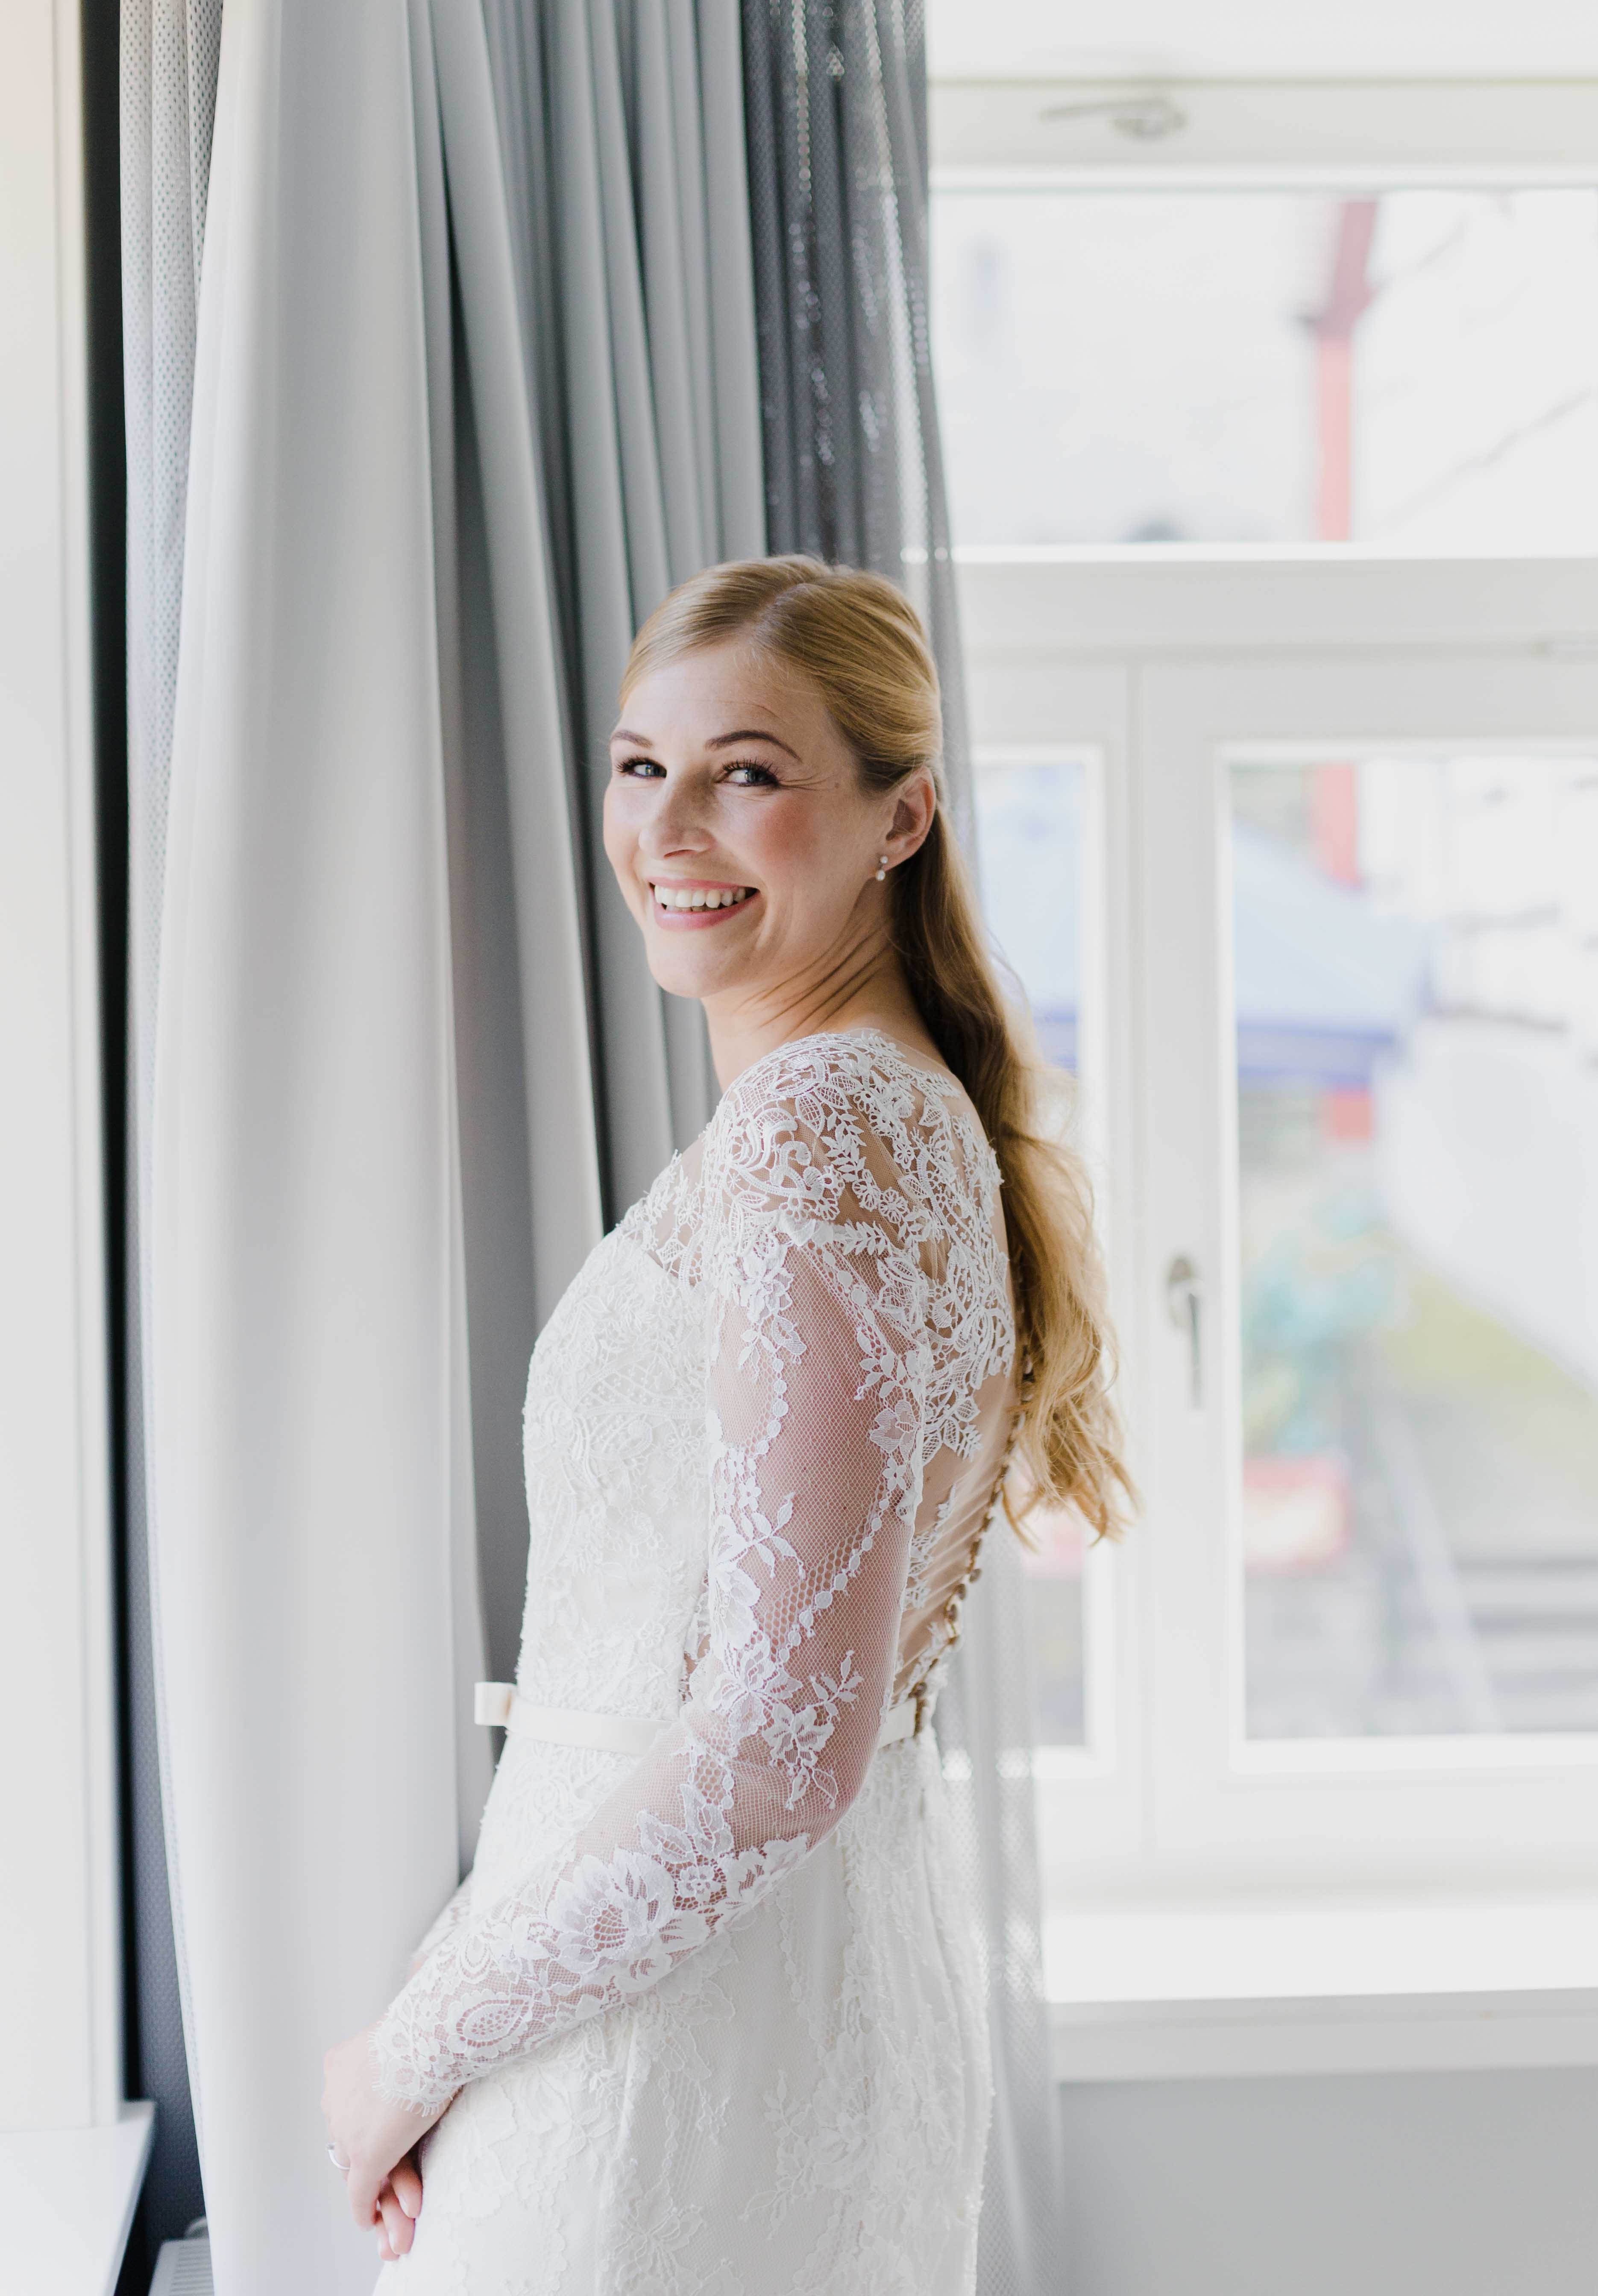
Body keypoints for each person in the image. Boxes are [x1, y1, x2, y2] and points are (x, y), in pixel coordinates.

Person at [321, 556, 1127, 2292]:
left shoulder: (825, 1131)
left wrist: (402, 2055)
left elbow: (773, 1745)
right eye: (640, 766)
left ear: (901, 817)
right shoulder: (886, 1111)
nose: (670, 828)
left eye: (747, 774)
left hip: (675, 2057)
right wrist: (448, 2031)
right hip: (717, 2008)